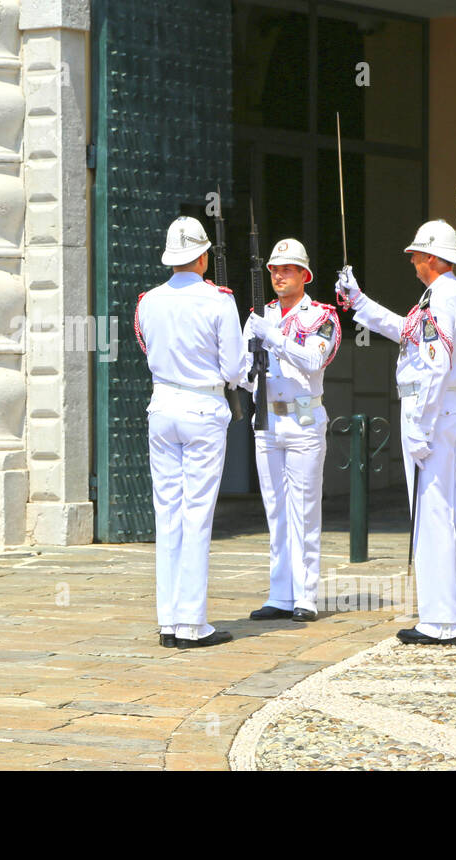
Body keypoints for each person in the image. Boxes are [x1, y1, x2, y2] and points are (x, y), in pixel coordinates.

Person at [336, 220, 456, 645]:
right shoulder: (455, 295)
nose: (413, 262)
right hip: (449, 404)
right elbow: (407, 333)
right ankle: (449, 615)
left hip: (431, 406)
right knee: (442, 513)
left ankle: (440, 623)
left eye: (417, 255)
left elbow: (434, 363)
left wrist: (420, 425)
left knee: (432, 513)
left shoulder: (441, 298)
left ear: (433, 258)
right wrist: (359, 302)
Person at [136, 216, 251, 649]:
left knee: (167, 514)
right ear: (203, 257)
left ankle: (168, 621)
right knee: (196, 514)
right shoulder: (219, 301)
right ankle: (192, 623)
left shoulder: (148, 301)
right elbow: (233, 369)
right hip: (203, 407)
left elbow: (148, 347)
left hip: (162, 405)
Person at [243, 239, 340, 624]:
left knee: (304, 509)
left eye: (287, 269)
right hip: (266, 419)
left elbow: (315, 359)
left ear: (304, 274)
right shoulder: (260, 315)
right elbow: (240, 363)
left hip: (302, 420)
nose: (279, 275)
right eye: (274, 270)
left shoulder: (320, 315)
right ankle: (279, 594)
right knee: (275, 510)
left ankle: (306, 596)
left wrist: (274, 337)